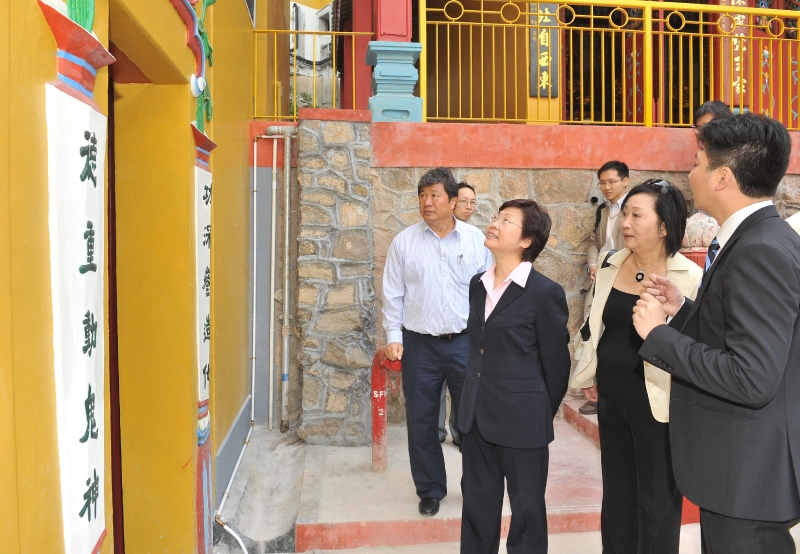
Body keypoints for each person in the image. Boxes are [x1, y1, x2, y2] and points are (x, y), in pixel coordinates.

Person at [633, 113, 800, 553]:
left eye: (696, 163)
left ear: (723, 177)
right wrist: (684, 310)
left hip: (747, 477)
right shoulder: (760, 236)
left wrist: (659, 336)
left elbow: (752, 377)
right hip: (742, 473)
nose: (689, 173)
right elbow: (749, 333)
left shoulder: (759, 249)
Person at [572, 180, 702, 554]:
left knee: (657, 503)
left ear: (663, 227)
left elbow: (697, 346)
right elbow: (596, 323)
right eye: (625, 214)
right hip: (612, 399)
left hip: (659, 406)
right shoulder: (611, 264)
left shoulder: (688, 278)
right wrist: (591, 372)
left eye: (636, 215)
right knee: (617, 497)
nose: (625, 222)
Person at [459, 199, 571, 554]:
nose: (493, 223)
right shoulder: (478, 284)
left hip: (523, 423)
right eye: (496, 216)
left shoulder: (545, 293)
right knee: (477, 510)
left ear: (526, 240)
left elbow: (557, 366)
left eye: (506, 220)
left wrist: (535, 411)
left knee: (527, 515)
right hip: (475, 417)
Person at [382, 167, 493, 517]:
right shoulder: (404, 242)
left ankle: (477, 488)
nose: (427, 202)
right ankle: (430, 489)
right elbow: (393, 294)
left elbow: (491, 291)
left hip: (466, 343)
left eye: (435, 195)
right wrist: (394, 336)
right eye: (422, 195)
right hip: (420, 345)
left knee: (473, 420)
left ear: (453, 200)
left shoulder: (476, 241)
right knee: (422, 421)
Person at [582, 160, 630, 415]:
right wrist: (593, 264)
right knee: (593, 331)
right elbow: (594, 241)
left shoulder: (633, 209)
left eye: (612, 181)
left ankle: (612, 394)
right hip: (600, 278)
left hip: (624, 278)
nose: (606, 187)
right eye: (602, 182)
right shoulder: (602, 210)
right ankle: (595, 394)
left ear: (625, 181)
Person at [438, 181, 477, 448]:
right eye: (464, 201)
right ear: (452, 202)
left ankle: (462, 434)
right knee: (434, 389)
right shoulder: (433, 238)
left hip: (464, 331)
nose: (469, 207)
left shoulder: (476, 240)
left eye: (473, 203)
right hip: (432, 330)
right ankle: (435, 433)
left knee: (464, 387)